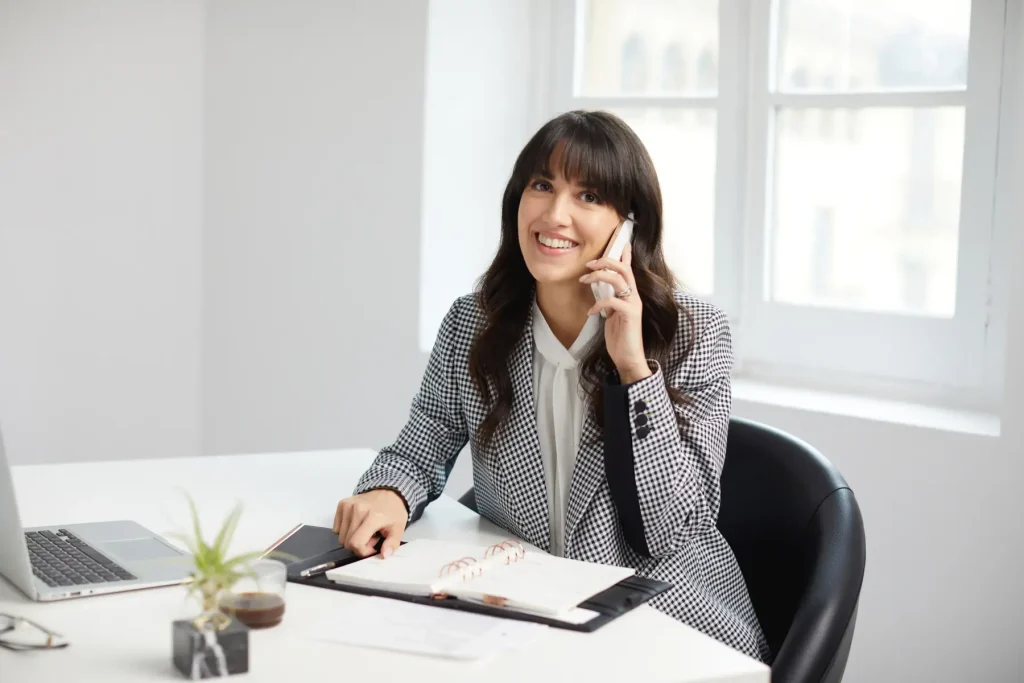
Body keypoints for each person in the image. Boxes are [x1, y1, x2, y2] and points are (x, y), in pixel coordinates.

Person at [333, 110, 770, 662]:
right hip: (526, 607)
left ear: (627, 226)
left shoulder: (691, 333)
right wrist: (387, 493)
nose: (555, 215)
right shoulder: (474, 322)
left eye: (588, 196)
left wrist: (633, 368)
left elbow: (668, 531)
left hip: (662, 619)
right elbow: (423, 444)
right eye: (542, 186)